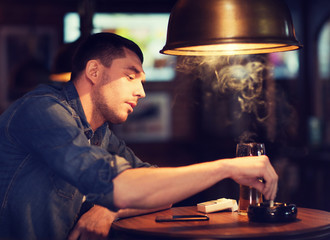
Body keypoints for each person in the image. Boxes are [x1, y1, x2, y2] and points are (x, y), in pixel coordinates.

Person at [0, 32, 278, 240]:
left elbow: (159, 193)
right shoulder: (43, 110)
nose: (142, 92)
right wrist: (227, 167)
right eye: (131, 76)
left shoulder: (100, 133)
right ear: (94, 71)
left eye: (142, 81)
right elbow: (123, 187)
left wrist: (110, 209)